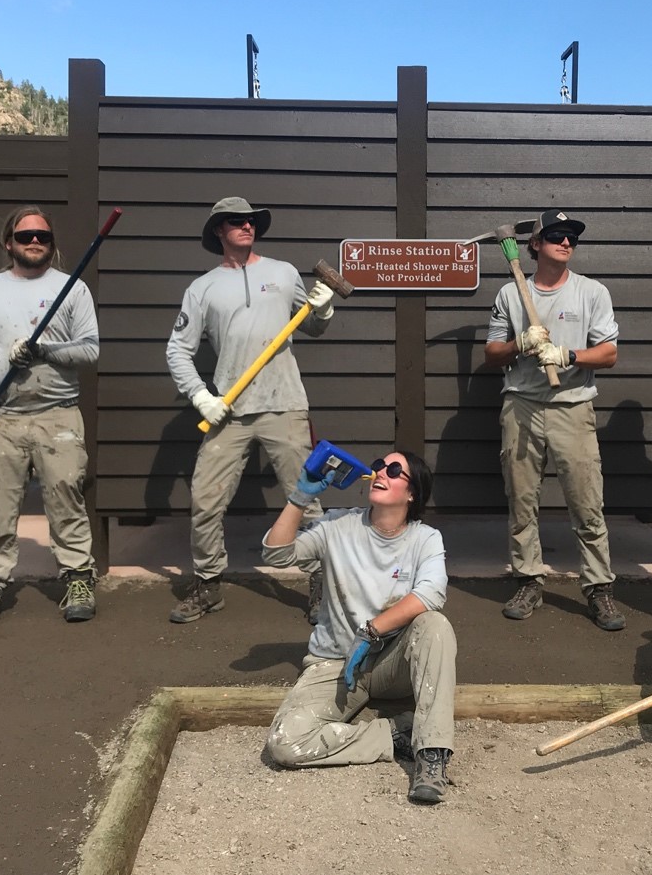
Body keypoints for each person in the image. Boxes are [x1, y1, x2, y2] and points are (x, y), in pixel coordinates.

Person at [166, 196, 336, 624]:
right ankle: (208, 585)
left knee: (307, 500)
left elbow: (313, 327)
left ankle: (320, 585)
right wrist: (201, 396)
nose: (246, 226)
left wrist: (324, 307)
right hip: (229, 409)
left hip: (285, 404)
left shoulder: (283, 273)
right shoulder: (202, 288)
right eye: (235, 222)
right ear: (219, 232)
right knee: (205, 501)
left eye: (251, 221)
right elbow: (177, 351)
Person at [262, 448, 457, 805]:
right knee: (284, 744)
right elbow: (277, 554)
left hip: (390, 663)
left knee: (435, 626)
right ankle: (397, 735)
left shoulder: (425, 538)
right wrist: (300, 496)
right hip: (336, 664)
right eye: (379, 465)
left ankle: (432, 754)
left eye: (394, 469)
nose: (381, 471)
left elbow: (431, 594)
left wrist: (371, 631)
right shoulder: (337, 525)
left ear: (412, 493)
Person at [0, 206, 100, 629]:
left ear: (52, 244)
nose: (35, 241)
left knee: (65, 497)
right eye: (25, 236)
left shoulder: (72, 289)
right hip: (1, 417)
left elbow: (90, 349)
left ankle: (78, 578)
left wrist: (44, 351)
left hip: (57, 414)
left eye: (43, 236)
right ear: (9, 243)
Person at [483, 209, 625, 631]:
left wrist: (569, 355)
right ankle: (529, 579)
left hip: (573, 405)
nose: (566, 242)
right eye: (556, 235)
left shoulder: (592, 292)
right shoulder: (511, 294)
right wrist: (519, 344)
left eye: (571, 237)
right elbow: (491, 354)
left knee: (587, 502)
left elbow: (610, 353)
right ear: (534, 245)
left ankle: (599, 587)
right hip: (521, 405)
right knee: (522, 500)